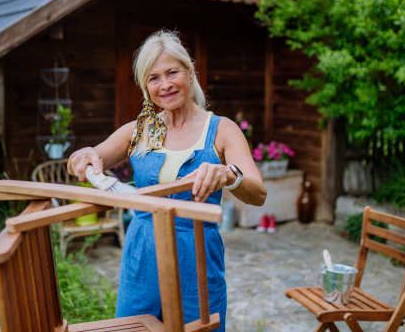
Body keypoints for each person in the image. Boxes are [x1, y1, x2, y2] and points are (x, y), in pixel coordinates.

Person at [68, 30, 267, 329]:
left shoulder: (223, 130)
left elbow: (258, 194)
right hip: (143, 254)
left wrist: (228, 175)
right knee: (134, 328)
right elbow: (90, 157)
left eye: (172, 72)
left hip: (197, 256)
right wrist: (83, 155)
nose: (165, 85)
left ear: (190, 73)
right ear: (146, 86)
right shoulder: (138, 131)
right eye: (154, 78)